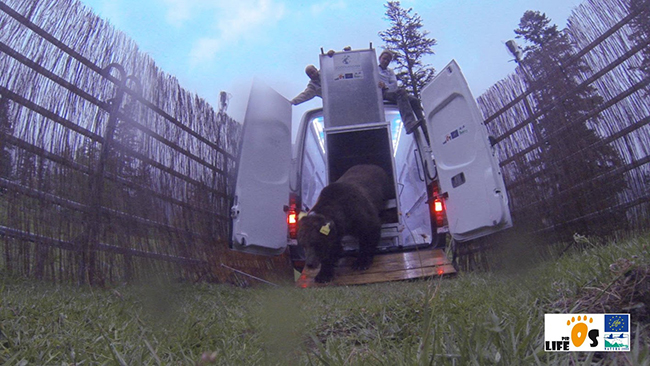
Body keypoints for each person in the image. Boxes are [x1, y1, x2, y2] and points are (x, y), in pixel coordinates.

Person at [377, 50, 426, 134]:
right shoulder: (375, 69)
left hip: (390, 90)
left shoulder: (390, 71)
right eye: (384, 59)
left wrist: (386, 85)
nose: (386, 61)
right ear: (380, 58)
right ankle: (409, 123)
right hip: (381, 92)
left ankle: (424, 128)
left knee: (414, 100)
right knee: (400, 92)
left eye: (388, 60)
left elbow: (394, 84)